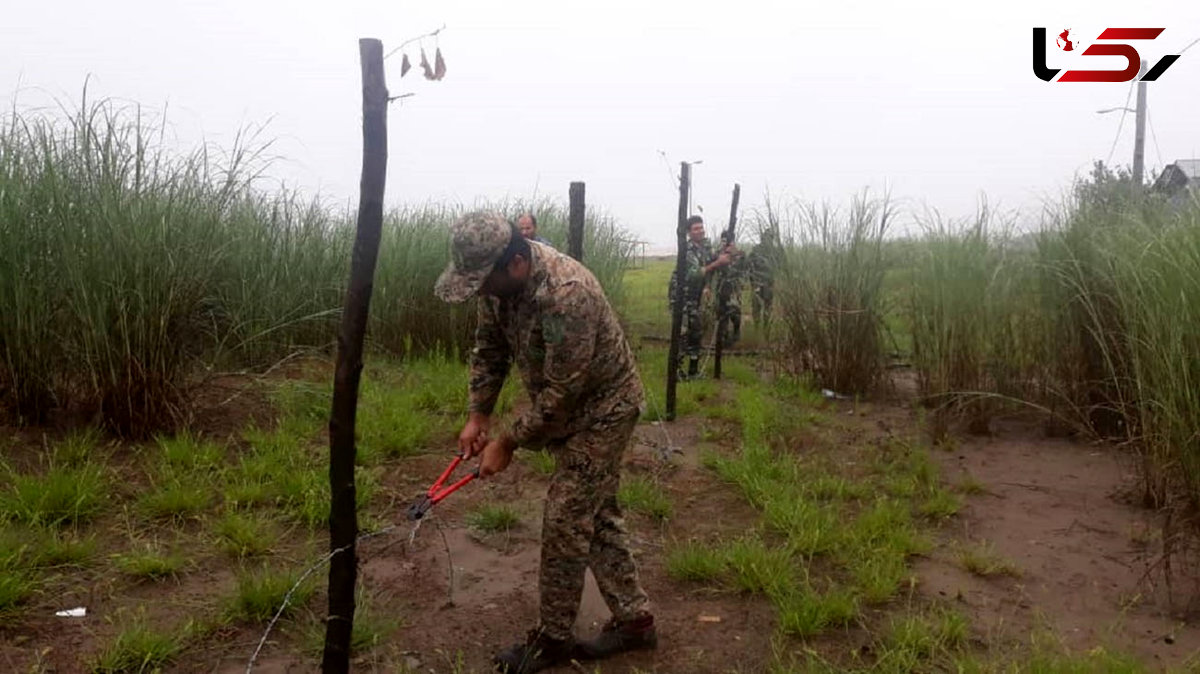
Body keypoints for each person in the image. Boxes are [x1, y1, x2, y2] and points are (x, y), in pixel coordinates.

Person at [434, 211, 655, 674]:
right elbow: (489, 348)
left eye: (483, 282)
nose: (481, 292)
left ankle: (553, 640)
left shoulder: (566, 294)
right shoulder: (498, 286)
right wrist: (479, 416)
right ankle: (636, 623)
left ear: (515, 262)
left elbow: (562, 395)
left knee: (566, 517)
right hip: (567, 406)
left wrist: (508, 442)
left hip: (603, 410)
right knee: (593, 513)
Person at [668, 215, 732, 379]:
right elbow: (695, 274)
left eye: (701, 227)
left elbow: (713, 259)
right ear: (689, 233)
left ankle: (693, 370)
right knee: (683, 333)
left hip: (694, 297)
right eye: (696, 228)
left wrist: (726, 252)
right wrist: (718, 263)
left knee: (696, 331)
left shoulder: (704, 247)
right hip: (681, 297)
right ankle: (675, 371)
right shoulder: (687, 250)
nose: (700, 231)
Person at [714, 231, 745, 349]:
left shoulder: (740, 255)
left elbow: (744, 270)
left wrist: (734, 254)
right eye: (722, 241)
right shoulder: (717, 254)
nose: (724, 244)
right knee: (722, 314)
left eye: (727, 241)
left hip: (734, 289)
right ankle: (724, 338)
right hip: (721, 289)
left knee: (735, 313)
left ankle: (736, 334)